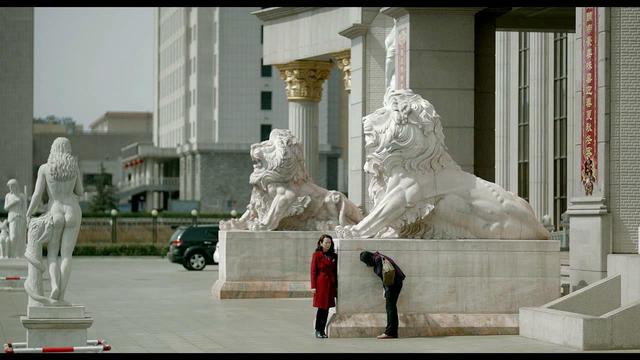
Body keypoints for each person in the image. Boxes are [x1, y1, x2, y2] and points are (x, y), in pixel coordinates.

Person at [26, 137, 83, 305]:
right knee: (66, 256)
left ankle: (54, 285)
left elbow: (37, 195)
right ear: (68, 149)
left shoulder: (44, 169)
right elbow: (80, 191)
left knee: (52, 254)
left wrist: (29, 213)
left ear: (53, 149)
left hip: (55, 210)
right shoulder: (73, 168)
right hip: (72, 210)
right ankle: (61, 296)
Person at [359, 250, 406, 339]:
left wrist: (386, 290)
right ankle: (393, 332)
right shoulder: (379, 256)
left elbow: (383, 275)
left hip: (392, 285)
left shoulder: (377, 260)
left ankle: (390, 332)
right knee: (392, 307)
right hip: (396, 283)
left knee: (390, 308)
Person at [310, 234, 338, 338]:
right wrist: (313, 286)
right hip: (320, 283)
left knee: (327, 308)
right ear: (321, 243)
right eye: (326, 242)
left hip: (330, 284)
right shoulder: (317, 255)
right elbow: (313, 271)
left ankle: (323, 331)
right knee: (321, 308)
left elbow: (335, 271)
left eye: (329, 242)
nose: (328, 244)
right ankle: (318, 330)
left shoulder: (334, 256)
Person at [5, 178, 28, 258]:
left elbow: (25, 209)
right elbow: (6, 207)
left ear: (16, 186)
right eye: (10, 187)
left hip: (21, 217)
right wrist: (15, 202)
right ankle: (11, 254)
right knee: (13, 236)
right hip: (12, 217)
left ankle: (19, 254)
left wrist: (26, 218)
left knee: (20, 236)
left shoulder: (22, 196)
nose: (11, 188)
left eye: (12, 186)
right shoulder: (8, 196)